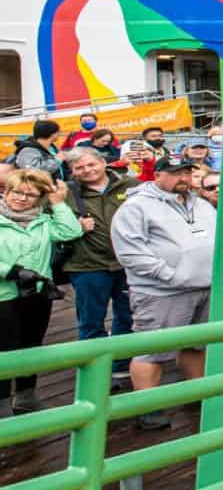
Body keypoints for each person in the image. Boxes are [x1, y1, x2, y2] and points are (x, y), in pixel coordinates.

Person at [112, 150, 216, 431]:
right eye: (174, 173)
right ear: (157, 174)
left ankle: (198, 393)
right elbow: (131, 252)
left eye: (186, 172)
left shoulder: (202, 204)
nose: (182, 178)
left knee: (196, 344)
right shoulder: (136, 207)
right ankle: (148, 406)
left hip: (204, 286)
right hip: (162, 292)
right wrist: (170, 275)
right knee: (153, 350)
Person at [0, 168, 82, 414]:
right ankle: (1, 401)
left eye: (30, 194)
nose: (21, 198)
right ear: (6, 191)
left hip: (36, 294)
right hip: (4, 296)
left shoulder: (44, 222)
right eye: (16, 192)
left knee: (31, 344)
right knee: (4, 349)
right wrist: (10, 271)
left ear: (40, 198)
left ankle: (26, 394)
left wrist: (58, 204)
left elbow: (71, 231)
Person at [63, 147, 139, 393]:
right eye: (79, 168)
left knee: (128, 315)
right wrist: (73, 226)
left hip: (127, 262)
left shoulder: (129, 184)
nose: (87, 171)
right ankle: (95, 373)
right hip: (87, 264)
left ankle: (120, 363)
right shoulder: (66, 193)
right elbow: (51, 219)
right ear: (73, 172)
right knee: (90, 320)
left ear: (102, 162)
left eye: (90, 164)